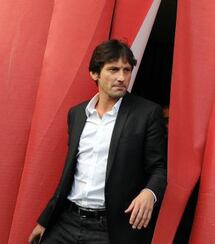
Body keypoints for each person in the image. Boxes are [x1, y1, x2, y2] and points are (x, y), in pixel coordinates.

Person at [28, 39, 167, 244]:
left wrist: (149, 192)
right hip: (66, 222)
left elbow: (160, 168)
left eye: (126, 70)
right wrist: (45, 220)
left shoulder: (146, 113)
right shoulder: (77, 114)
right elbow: (70, 173)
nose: (122, 77)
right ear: (94, 73)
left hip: (109, 229)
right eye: (113, 69)